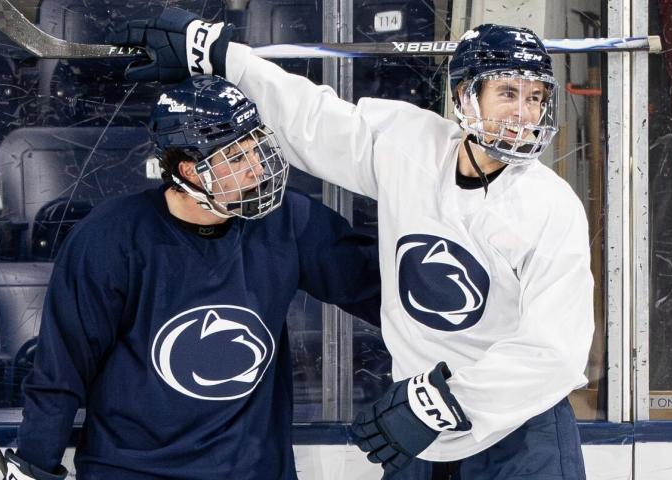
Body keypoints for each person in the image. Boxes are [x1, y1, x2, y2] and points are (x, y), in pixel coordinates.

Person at [108, 12, 595, 480]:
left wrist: (446, 400)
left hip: (517, 428)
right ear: (465, 95)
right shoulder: (414, 147)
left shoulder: (551, 206)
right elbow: (315, 121)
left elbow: (555, 351)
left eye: (535, 97)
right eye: (508, 92)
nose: (524, 112)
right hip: (418, 418)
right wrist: (221, 55)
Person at [3, 75, 381, 480]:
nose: (256, 168)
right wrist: (35, 466)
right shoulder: (111, 237)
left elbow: (382, 292)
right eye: (236, 158)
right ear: (190, 170)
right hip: (133, 471)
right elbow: (62, 368)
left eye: (255, 148)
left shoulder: (288, 220)